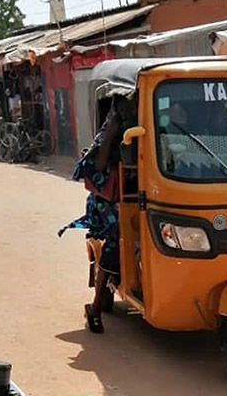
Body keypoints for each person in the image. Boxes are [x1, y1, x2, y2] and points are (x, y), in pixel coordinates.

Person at [58, 96, 137, 333]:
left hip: (140, 196)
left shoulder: (151, 125)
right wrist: (112, 131)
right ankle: (94, 309)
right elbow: (99, 166)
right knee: (115, 241)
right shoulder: (110, 134)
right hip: (109, 202)